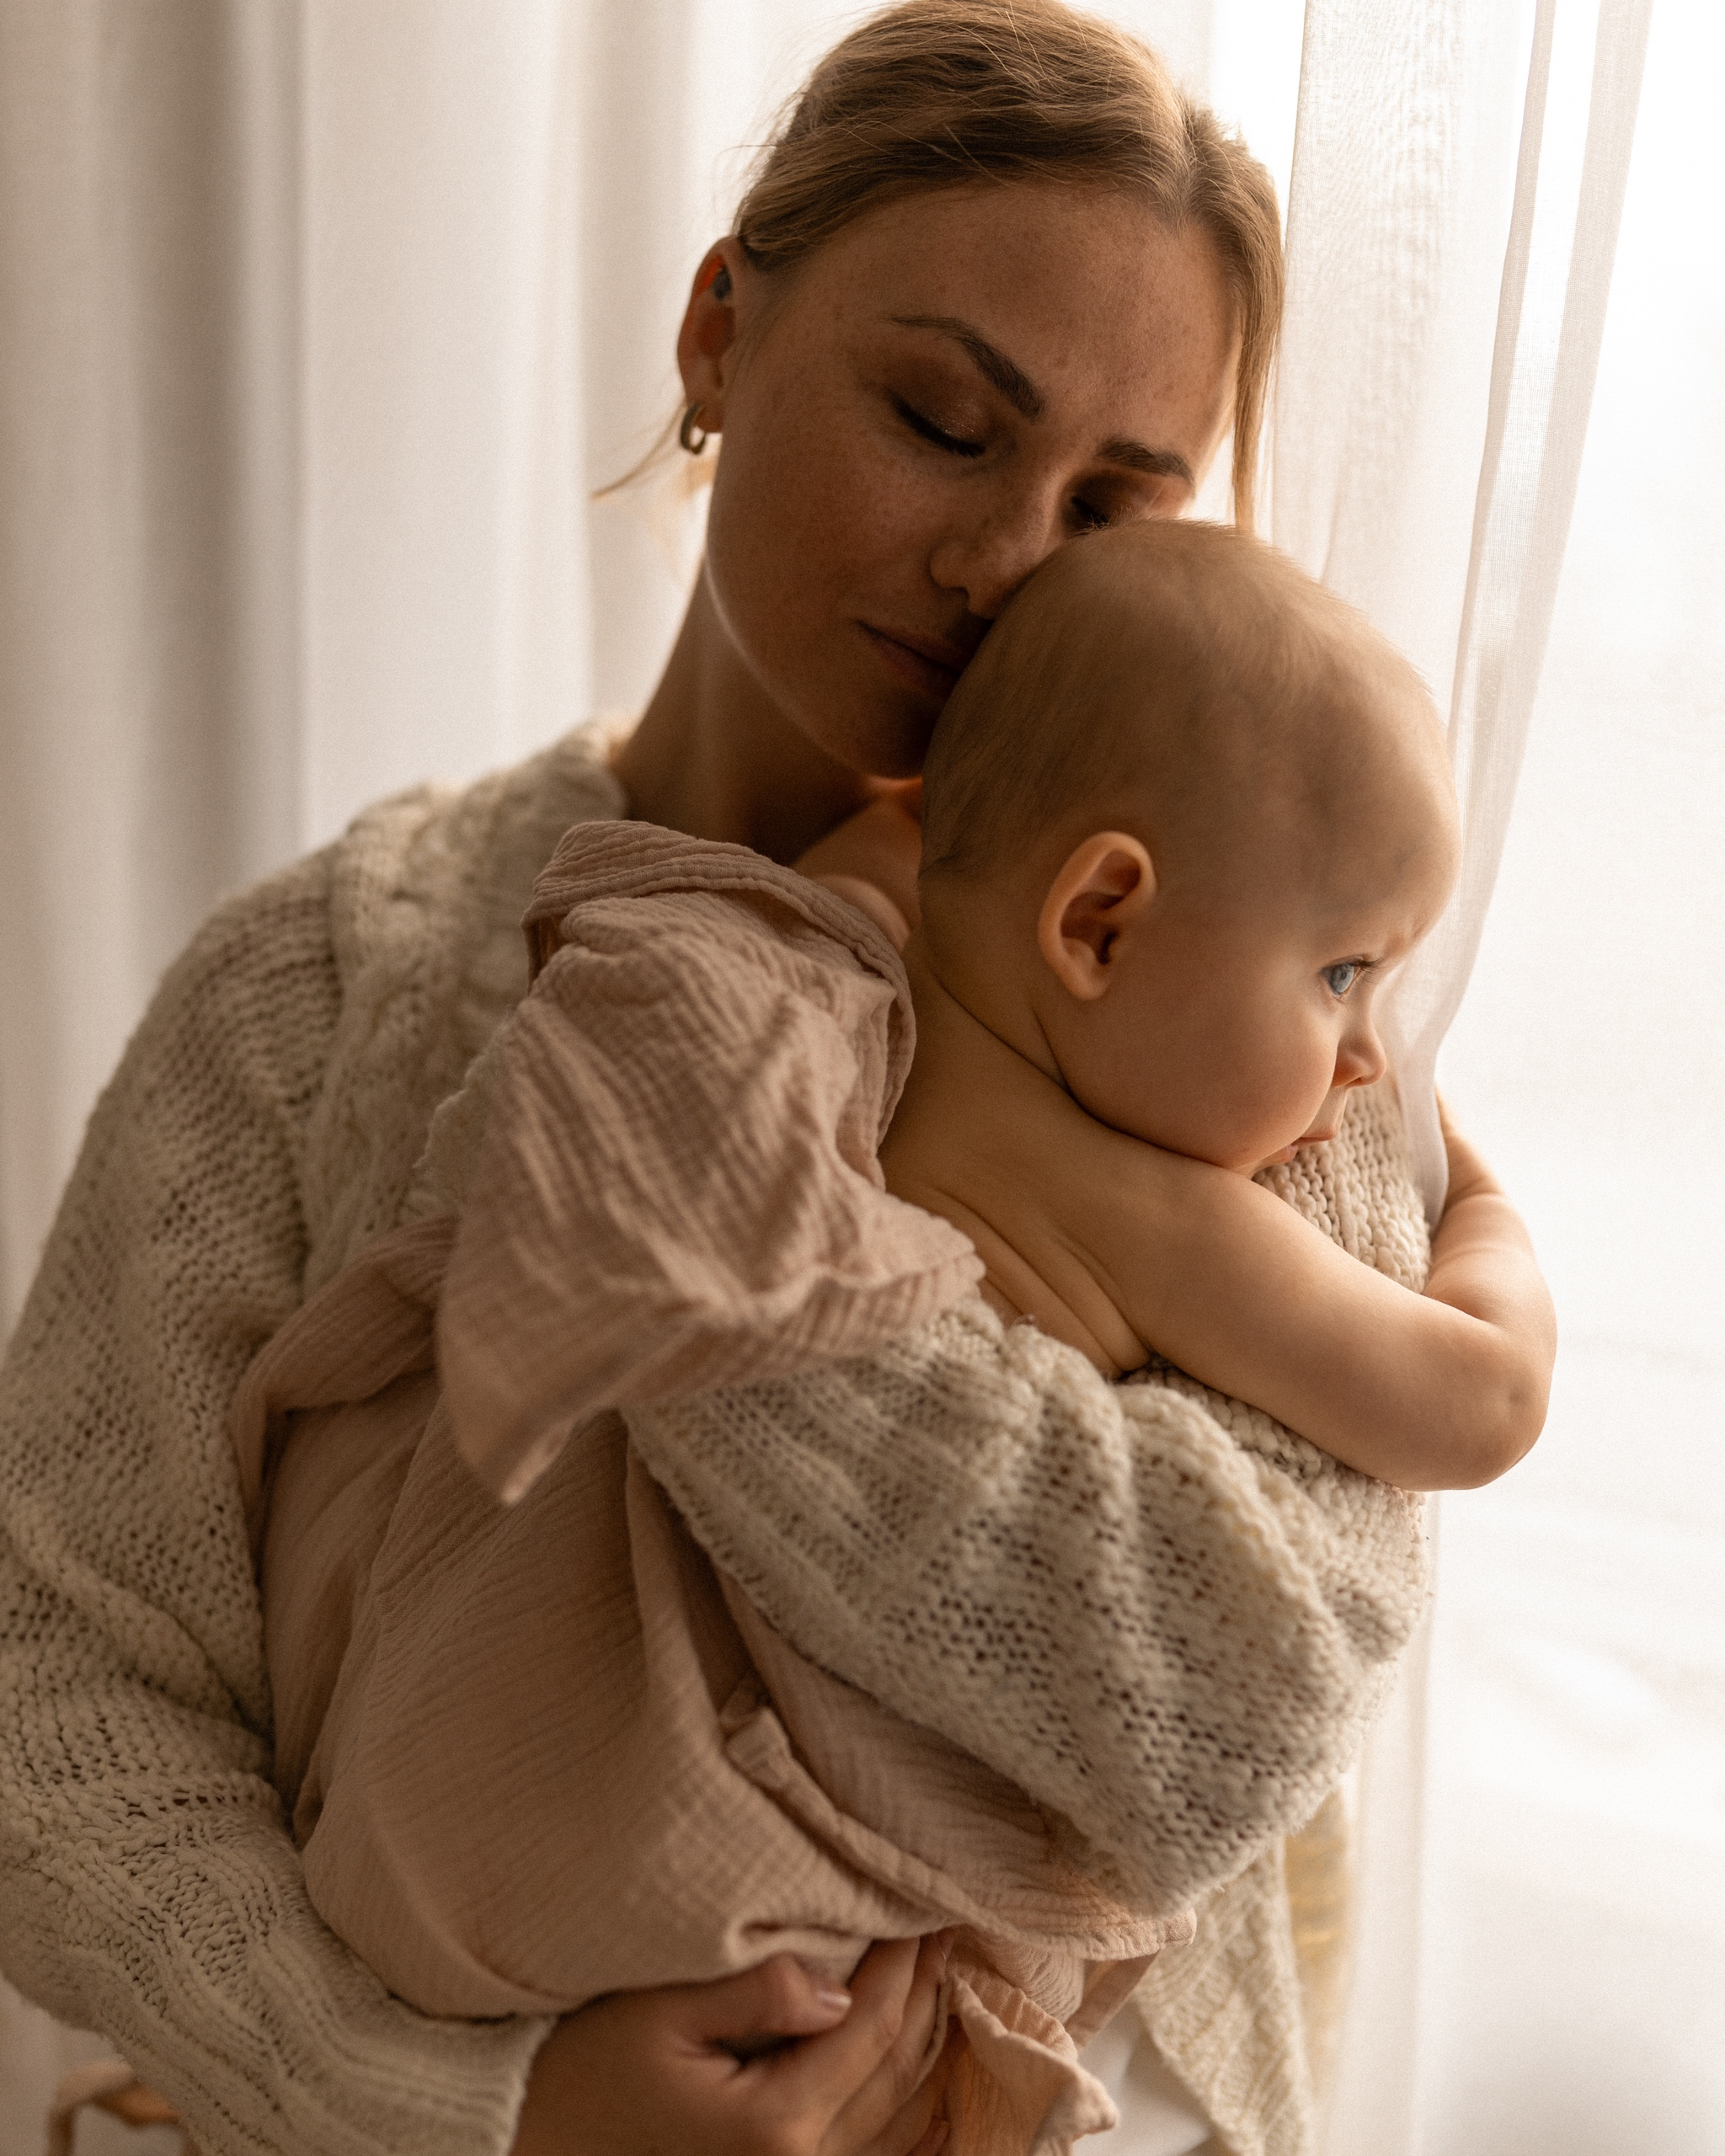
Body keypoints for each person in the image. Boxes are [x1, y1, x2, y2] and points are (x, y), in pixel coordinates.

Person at [0, 3, 1428, 2152]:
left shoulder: (1250, 1019)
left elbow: (1232, 1703)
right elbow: (49, 1703)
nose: (1005, 564)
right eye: (942, 417)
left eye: (1117, 500)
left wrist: (656, 1241)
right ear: (716, 336)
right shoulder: (330, 983)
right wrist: (471, 2100)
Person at [235, 522, 1552, 2156]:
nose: (1364, 1060)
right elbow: (1479, 1400)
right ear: (1099, 921)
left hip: (424, 1781)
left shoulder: (824, 953)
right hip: (706, 1890)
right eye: (1344, 972)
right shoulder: (1155, 1210)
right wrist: (1470, 1189)